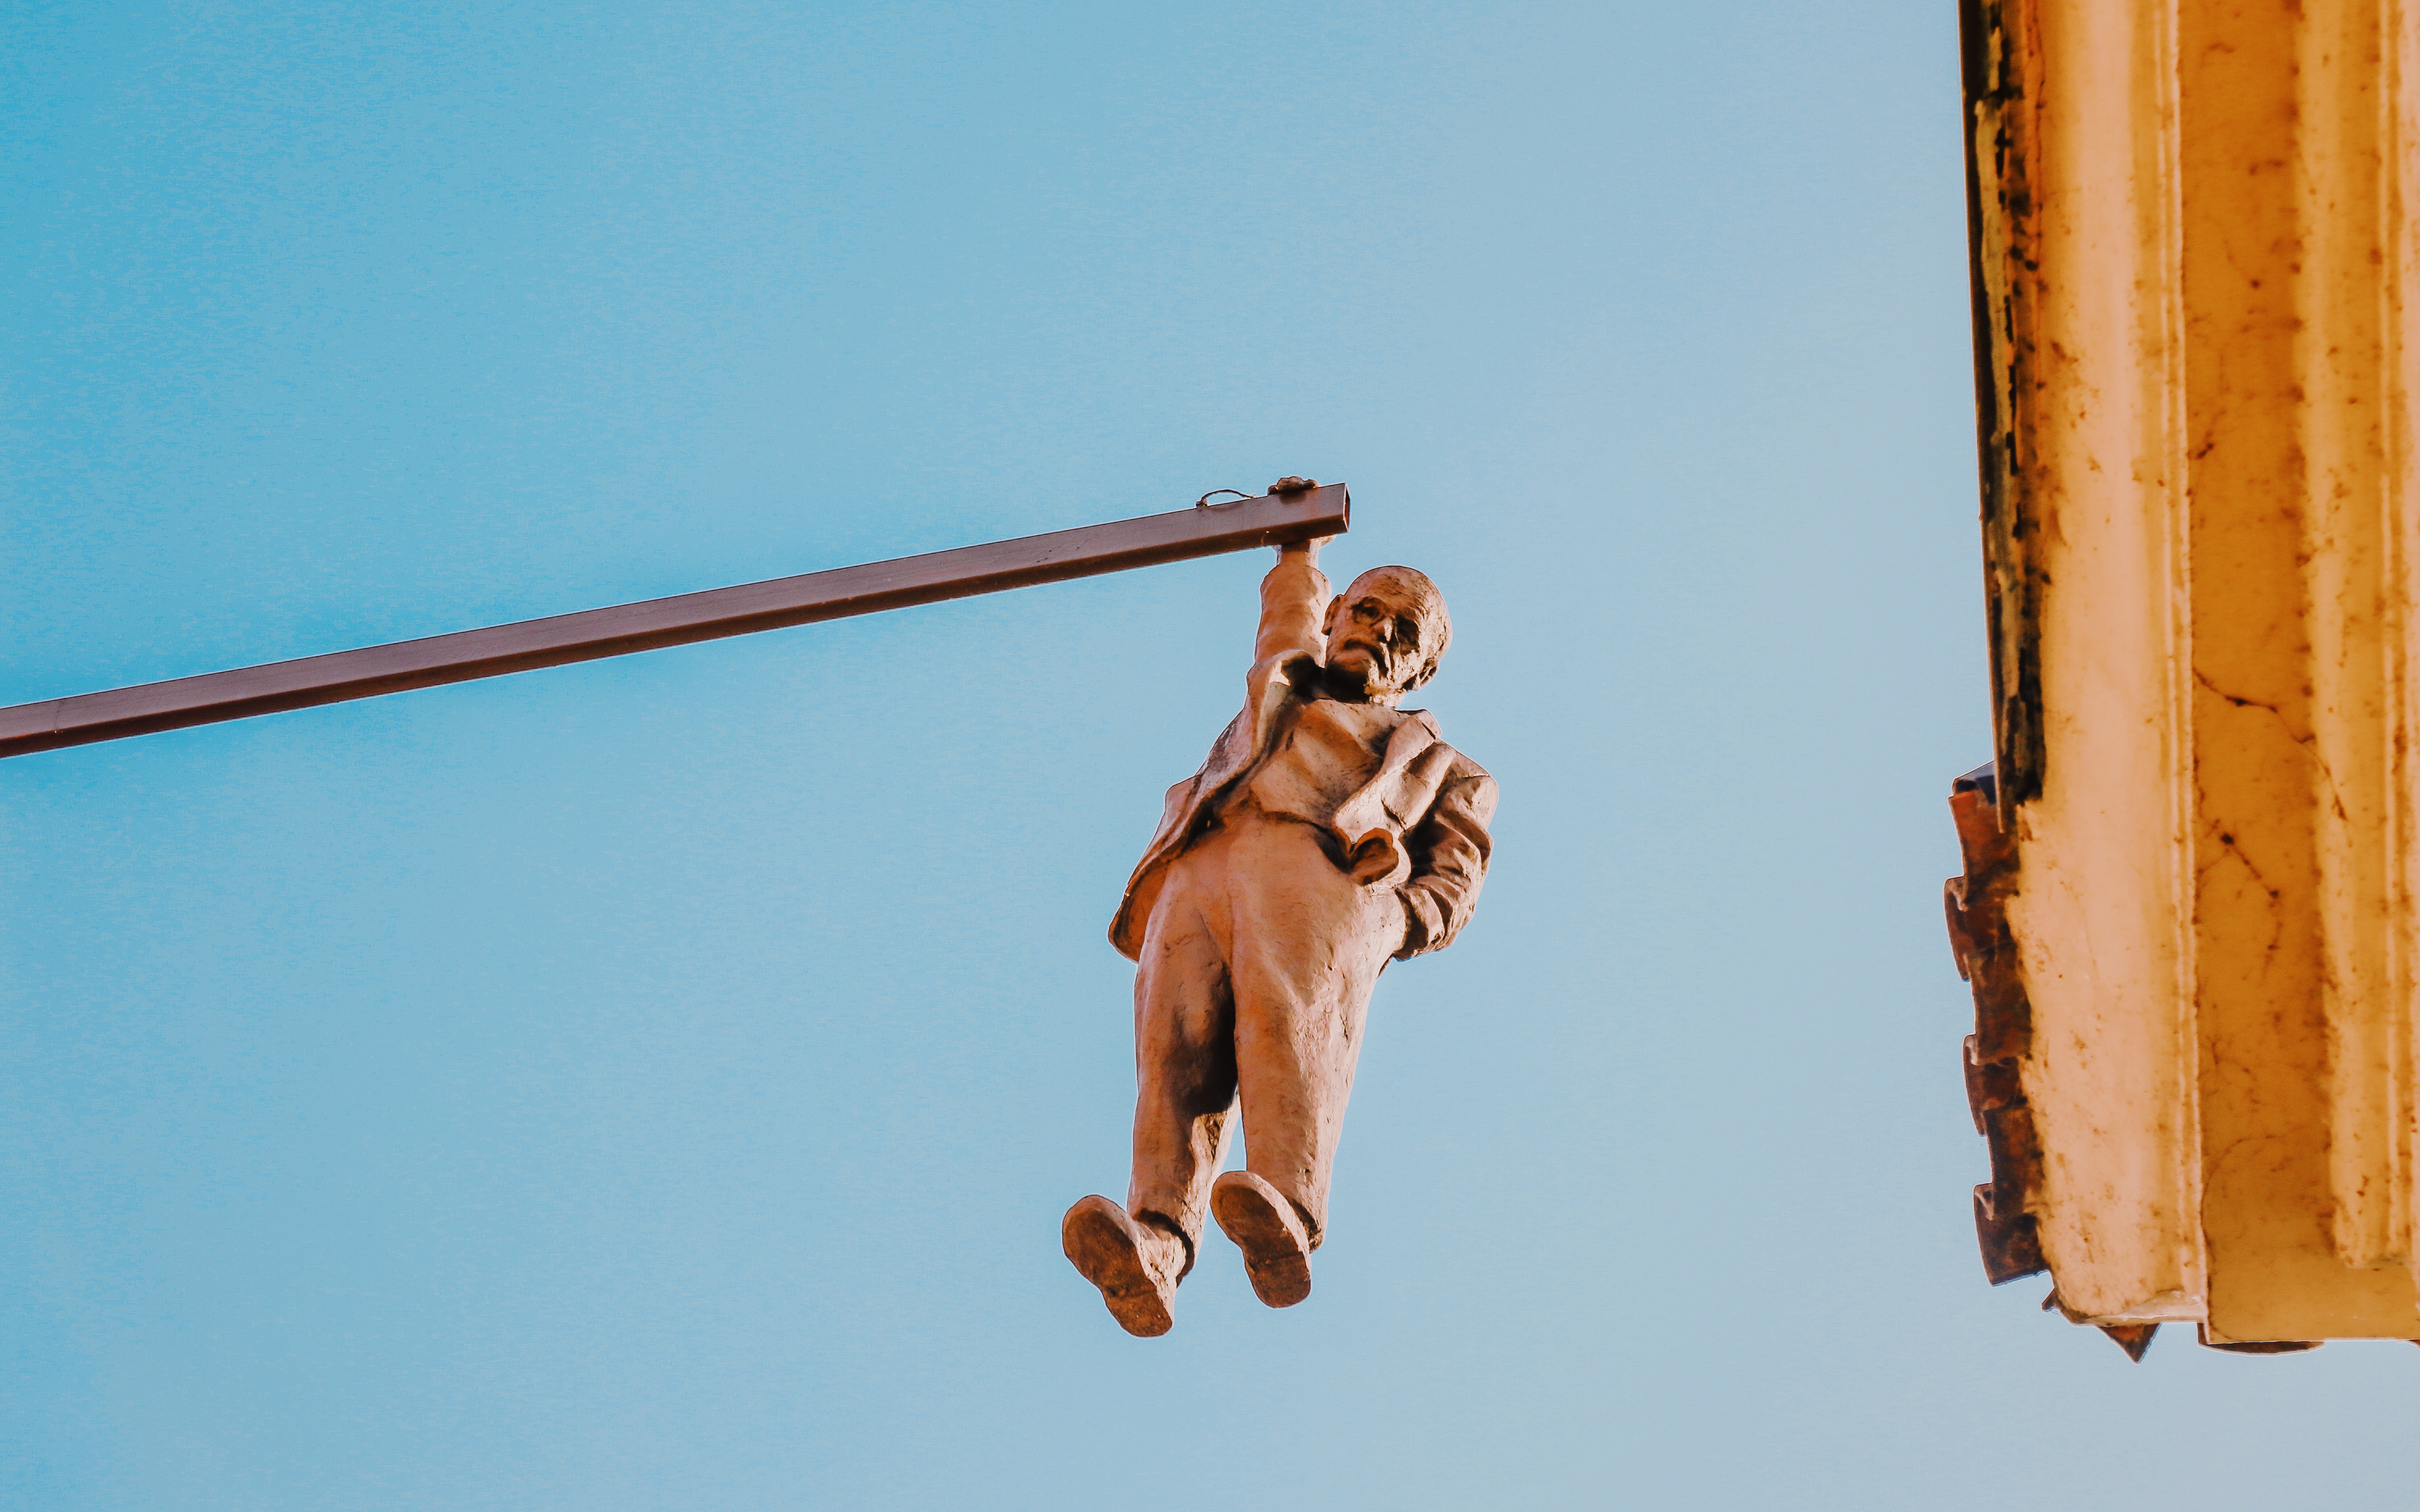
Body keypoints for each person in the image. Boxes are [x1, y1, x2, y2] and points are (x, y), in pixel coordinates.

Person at [1062, 527, 1498, 1335]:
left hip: (1318, 876)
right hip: (1205, 862)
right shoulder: (1286, 682)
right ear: (1335, 617)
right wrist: (1297, 550)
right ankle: (1157, 1239)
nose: (1379, 632)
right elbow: (1286, 612)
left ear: (1419, 671)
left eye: (1404, 633)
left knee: (1287, 1032)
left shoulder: (1448, 768)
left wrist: (1391, 918)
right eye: (1367, 611)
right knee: (1175, 1051)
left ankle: (1286, 1211)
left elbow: (1455, 877)